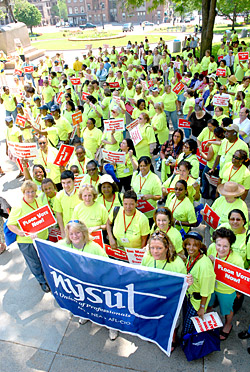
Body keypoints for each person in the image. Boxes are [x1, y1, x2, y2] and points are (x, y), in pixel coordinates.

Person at [141, 231, 188, 351]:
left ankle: (172, 336)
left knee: (172, 318)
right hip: (153, 295)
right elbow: (142, 274)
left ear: (167, 248)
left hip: (171, 298)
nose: (155, 251)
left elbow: (183, 285)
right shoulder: (147, 257)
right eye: (152, 248)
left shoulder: (177, 264)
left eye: (159, 248)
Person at [7, 180, 50, 292]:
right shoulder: (18, 207)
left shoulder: (39, 201)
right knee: (34, 262)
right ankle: (42, 281)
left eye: (32, 191)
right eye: (27, 192)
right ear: (23, 192)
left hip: (43, 237)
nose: (30, 194)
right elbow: (10, 224)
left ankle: (48, 276)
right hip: (27, 241)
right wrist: (21, 233)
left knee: (45, 258)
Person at [207, 227, 244, 340]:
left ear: (230, 245)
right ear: (214, 243)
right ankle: (208, 321)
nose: (221, 249)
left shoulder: (237, 260)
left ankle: (228, 325)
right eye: (219, 245)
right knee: (209, 304)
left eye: (225, 246)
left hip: (227, 290)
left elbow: (241, 280)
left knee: (227, 310)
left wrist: (239, 293)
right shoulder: (212, 248)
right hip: (211, 285)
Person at [182, 232, 215, 336]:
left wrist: (202, 308)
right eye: (188, 244)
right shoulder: (190, 256)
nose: (191, 248)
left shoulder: (204, 265)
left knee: (188, 326)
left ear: (200, 246)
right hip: (189, 296)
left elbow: (206, 290)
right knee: (186, 321)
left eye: (195, 245)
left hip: (197, 302)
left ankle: (188, 343)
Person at [131, 156, 162, 221]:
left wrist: (151, 196)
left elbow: (159, 196)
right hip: (137, 211)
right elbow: (132, 188)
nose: (142, 168)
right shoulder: (135, 175)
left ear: (149, 165)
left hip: (149, 214)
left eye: (145, 166)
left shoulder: (155, 179)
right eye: (141, 166)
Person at [53, 170, 81, 238]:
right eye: (63, 183)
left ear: (74, 181)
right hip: (67, 230)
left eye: (69, 182)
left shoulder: (81, 194)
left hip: (80, 229)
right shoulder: (59, 196)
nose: (66, 186)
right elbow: (59, 214)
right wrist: (62, 231)